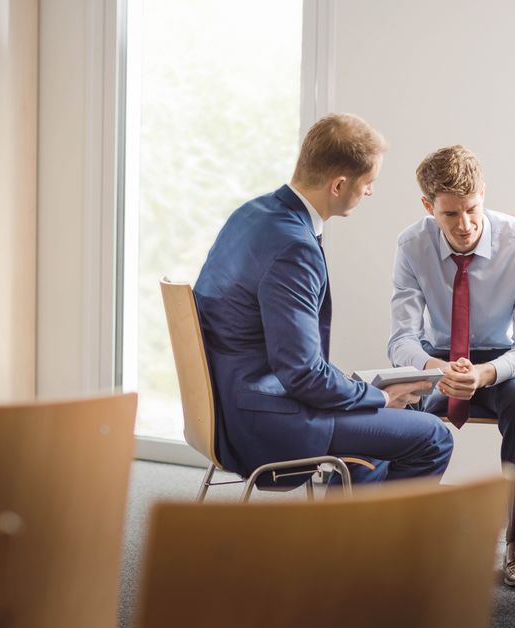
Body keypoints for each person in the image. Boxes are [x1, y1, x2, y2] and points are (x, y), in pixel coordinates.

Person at [194, 113, 453, 486]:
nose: (370, 192)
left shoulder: (251, 214)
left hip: (229, 408)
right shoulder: (294, 249)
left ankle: (342, 539)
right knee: (433, 436)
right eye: (369, 183)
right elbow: (303, 374)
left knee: (378, 439)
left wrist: (363, 391)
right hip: (265, 423)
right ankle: (378, 544)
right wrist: (377, 398)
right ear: (339, 184)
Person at [388, 145, 515, 587]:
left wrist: (484, 374)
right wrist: (434, 368)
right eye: (450, 215)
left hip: (506, 363)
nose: (465, 225)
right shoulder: (411, 244)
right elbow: (401, 339)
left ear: (484, 194)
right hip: (439, 359)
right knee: (395, 399)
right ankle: (402, 534)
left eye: (473, 209)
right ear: (428, 207)